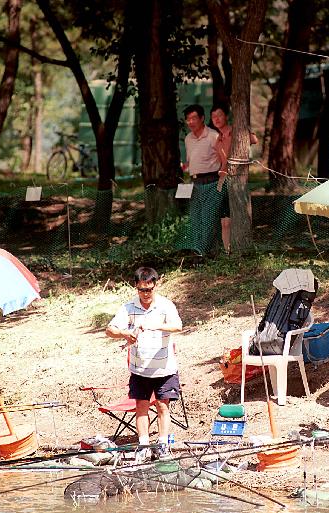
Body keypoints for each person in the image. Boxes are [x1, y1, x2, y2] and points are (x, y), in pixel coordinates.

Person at [106, 266, 182, 462]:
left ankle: (163, 444)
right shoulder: (129, 308)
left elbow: (178, 326)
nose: (146, 294)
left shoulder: (165, 306)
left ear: (155, 286)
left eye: (149, 289)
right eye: (142, 290)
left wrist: (154, 325)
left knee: (163, 407)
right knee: (141, 406)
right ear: (136, 288)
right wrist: (125, 333)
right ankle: (144, 445)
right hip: (139, 369)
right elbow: (110, 329)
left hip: (164, 367)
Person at [210, 104, 258, 254]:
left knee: (234, 218)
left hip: (237, 179)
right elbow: (221, 162)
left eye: (219, 115)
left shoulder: (235, 131)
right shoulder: (217, 140)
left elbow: (254, 139)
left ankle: (240, 249)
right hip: (222, 181)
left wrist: (244, 129)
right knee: (224, 221)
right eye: (213, 117)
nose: (216, 119)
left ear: (226, 116)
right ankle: (227, 252)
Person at [182, 104, 224, 256]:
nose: (191, 122)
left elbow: (223, 159)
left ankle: (203, 252)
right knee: (195, 219)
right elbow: (190, 162)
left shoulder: (214, 136)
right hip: (194, 183)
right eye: (188, 119)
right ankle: (198, 250)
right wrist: (185, 168)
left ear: (202, 118)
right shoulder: (188, 139)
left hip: (212, 182)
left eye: (194, 118)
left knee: (208, 218)